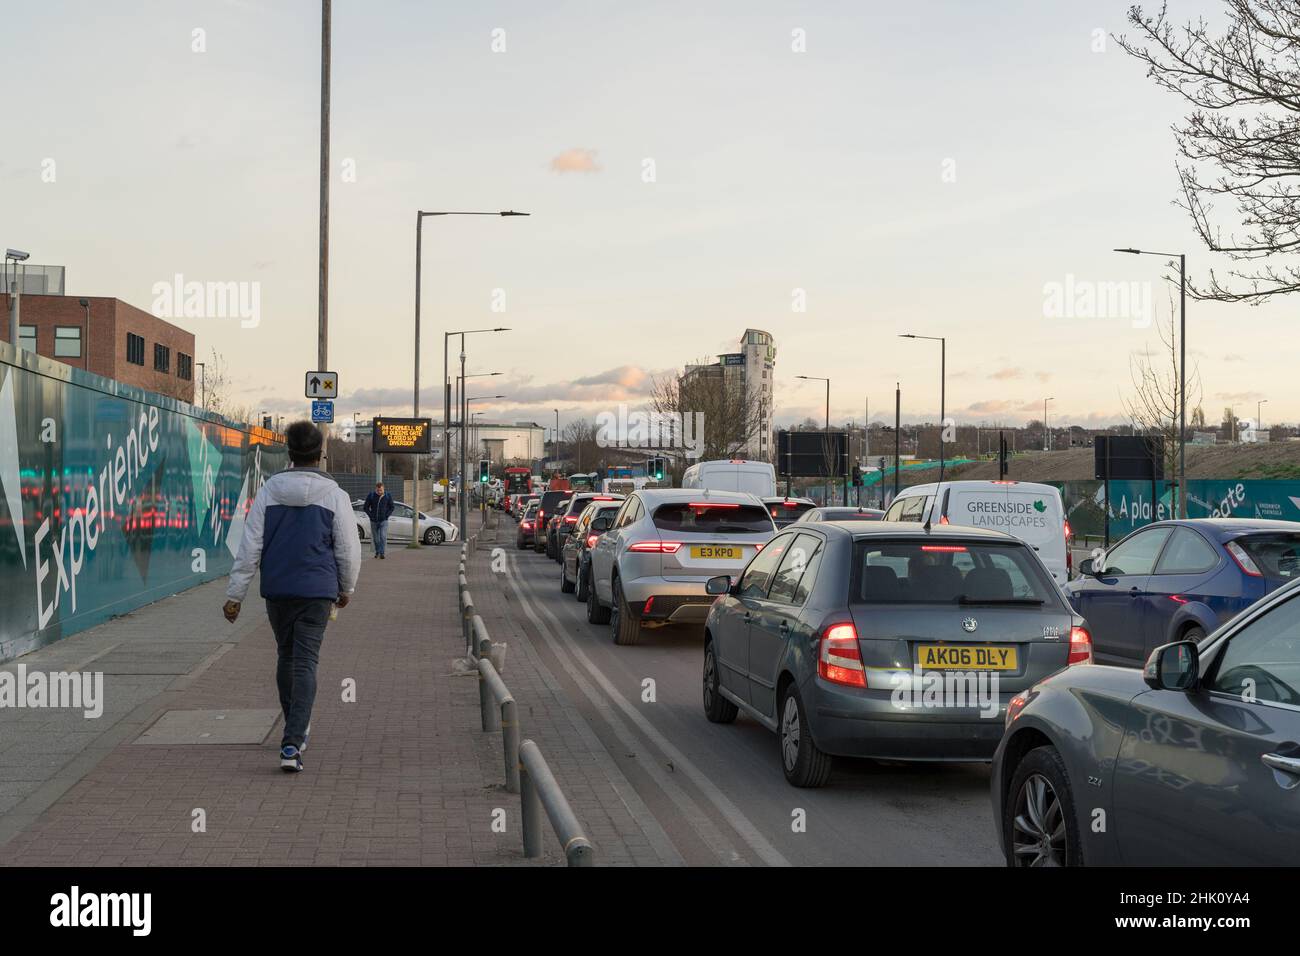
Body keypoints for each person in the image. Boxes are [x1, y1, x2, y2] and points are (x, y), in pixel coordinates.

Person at [223, 421, 361, 773]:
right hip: (317, 592)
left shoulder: (269, 492)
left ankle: (294, 729)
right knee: (305, 661)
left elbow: (250, 545)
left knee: (287, 657)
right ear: (320, 454)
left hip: (279, 590)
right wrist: (346, 589)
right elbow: (347, 549)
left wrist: (235, 595)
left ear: (289, 454)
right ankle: (293, 740)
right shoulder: (335, 496)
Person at [362, 481, 394, 558]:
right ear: (375, 489)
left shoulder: (387, 496)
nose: (379, 492)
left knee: (383, 536)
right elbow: (365, 507)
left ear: (383, 489)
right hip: (374, 521)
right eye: (378, 490)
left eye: (381, 490)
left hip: (384, 521)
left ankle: (382, 553)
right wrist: (371, 516)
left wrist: (387, 515)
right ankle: (377, 551)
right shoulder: (371, 495)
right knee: (376, 539)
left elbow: (392, 507)